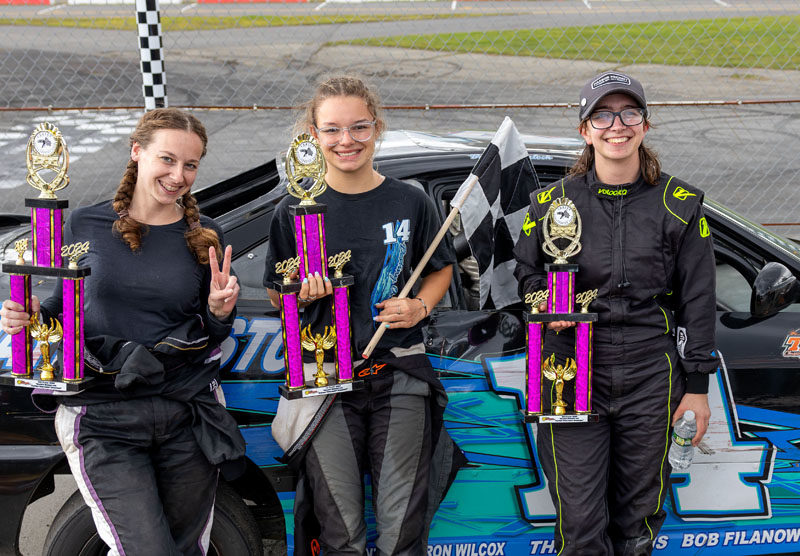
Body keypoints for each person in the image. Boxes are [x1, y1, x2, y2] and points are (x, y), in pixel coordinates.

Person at [0, 108, 244, 555]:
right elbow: (63, 310)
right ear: (137, 152)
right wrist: (30, 316)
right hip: (103, 415)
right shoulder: (85, 226)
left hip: (185, 411)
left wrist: (218, 310)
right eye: (167, 159)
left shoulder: (205, 234)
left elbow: (208, 335)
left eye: (190, 165)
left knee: (187, 549)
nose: (178, 175)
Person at [513, 71, 719, 555]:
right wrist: (544, 302)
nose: (616, 125)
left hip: (651, 371)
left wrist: (697, 390)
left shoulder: (680, 204)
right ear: (585, 129)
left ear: (645, 125)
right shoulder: (550, 204)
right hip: (568, 367)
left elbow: (699, 301)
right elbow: (523, 277)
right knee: (581, 522)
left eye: (629, 113)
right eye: (602, 115)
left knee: (636, 524)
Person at [264, 75, 463, 556]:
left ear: (377, 128)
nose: (346, 140)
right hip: (326, 381)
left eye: (358, 127)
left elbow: (440, 270)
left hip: (398, 376)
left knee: (401, 530)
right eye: (332, 130)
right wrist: (302, 293)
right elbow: (276, 294)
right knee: (341, 531)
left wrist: (419, 305)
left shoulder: (410, 201)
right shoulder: (294, 210)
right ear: (313, 134)